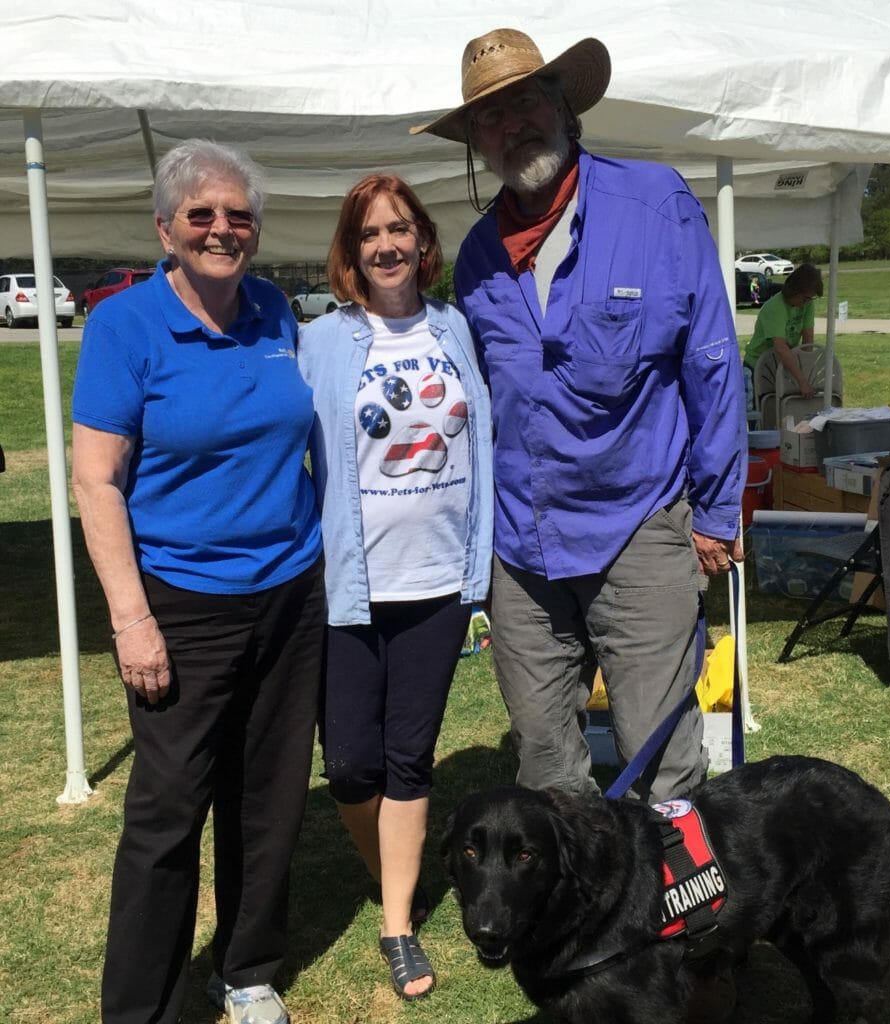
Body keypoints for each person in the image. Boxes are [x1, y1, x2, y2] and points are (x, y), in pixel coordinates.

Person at [411, 29, 745, 804]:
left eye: (526, 100)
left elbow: (713, 360)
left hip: (641, 528)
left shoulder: (655, 203)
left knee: (659, 754)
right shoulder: (476, 260)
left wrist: (717, 510)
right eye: (489, 118)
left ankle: (677, 915)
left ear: (563, 105)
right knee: (545, 759)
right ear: (475, 144)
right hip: (523, 548)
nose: (513, 125)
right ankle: (576, 916)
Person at [71, 139, 324, 1024]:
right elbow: (95, 479)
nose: (223, 229)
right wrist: (131, 620)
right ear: (167, 229)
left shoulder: (274, 310)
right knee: (168, 812)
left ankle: (247, 969)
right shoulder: (124, 325)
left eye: (239, 214)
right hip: (179, 600)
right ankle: (138, 1007)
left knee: (269, 795)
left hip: (291, 590)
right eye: (202, 214)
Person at [296, 174, 493, 1000]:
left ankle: (398, 924)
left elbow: (480, 437)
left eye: (401, 229)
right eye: (371, 233)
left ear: (423, 241)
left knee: (408, 758)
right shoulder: (323, 339)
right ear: (352, 249)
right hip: (349, 583)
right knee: (348, 764)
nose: (388, 245)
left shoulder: (453, 328)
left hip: (438, 582)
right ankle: (396, 877)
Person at [743, 261, 824, 402]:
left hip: (785, 364)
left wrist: (806, 374)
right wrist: (802, 381)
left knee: (786, 410)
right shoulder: (774, 307)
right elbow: (780, 348)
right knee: (765, 410)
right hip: (759, 366)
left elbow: (808, 343)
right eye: (805, 298)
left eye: (810, 299)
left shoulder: (808, 304)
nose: (806, 303)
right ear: (795, 290)